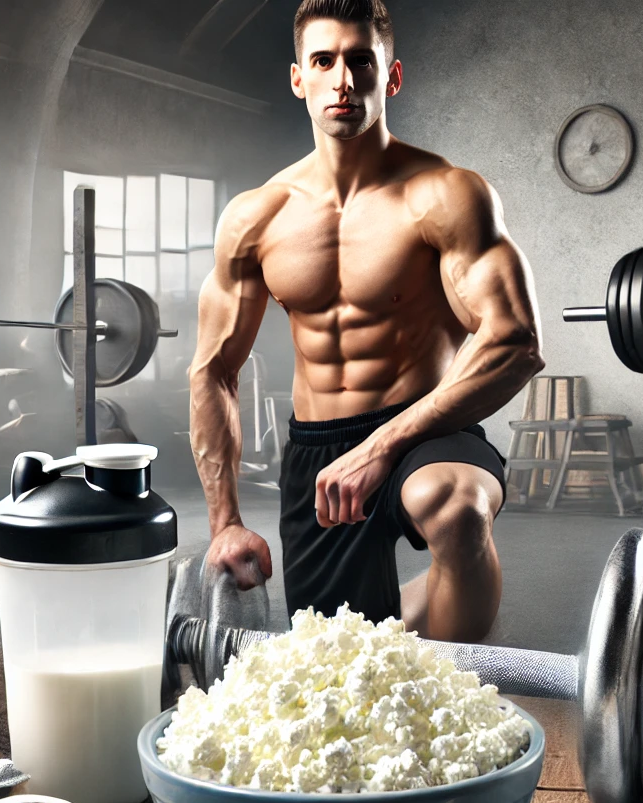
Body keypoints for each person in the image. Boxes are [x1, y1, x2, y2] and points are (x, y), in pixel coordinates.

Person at [188, 0, 541, 643]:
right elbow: (213, 371)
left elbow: (514, 340)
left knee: (456, 508)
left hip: (427, 429)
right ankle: (400, 622)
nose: (342, 80)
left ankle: (454, 696)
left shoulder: (446, 194)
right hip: (320, 451)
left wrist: (382, 447)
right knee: (339, 656)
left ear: (391, 75)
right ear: (299, 78)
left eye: (360, 60)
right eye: (323, 61)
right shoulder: (256, 218)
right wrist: (225, 523)